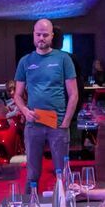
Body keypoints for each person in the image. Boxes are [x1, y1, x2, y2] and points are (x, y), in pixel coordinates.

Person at [14, 18, 78, 187]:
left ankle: (64, 203)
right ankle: (31, 202)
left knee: (62, 174)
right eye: (38, 34)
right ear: (33, 35)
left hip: (58, 124)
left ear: (52, 36)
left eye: (45, 35)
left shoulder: (63, 59)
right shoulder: (25, 61)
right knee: (32, 174)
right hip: (34, 124)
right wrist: (25, 111)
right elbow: (17, 95)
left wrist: (66, 122)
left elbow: (73, 94)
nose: (41, 38)